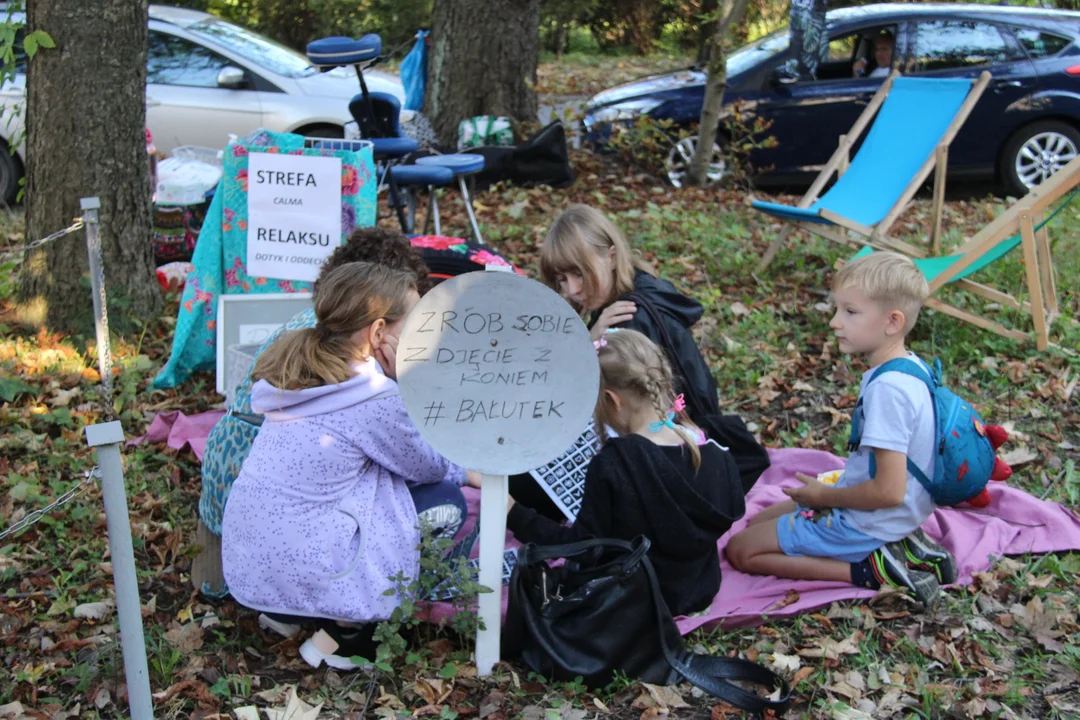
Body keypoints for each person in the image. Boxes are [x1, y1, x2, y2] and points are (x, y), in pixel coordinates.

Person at [221, 262, 481, 670]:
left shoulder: (302, 369)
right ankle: (346, 634)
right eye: (412, 327)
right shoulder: (375, 396)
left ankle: (288, 615)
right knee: (446, 501)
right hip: (307, 559)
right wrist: (463, 470)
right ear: (379, 333)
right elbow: (427, 466)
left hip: (252, 559)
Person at [725, 252, 957, 607]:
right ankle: (903, 545)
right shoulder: (910, 367)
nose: (835, 322)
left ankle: (875, 570)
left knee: (740, 550)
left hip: (871, 519)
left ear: (892, 322)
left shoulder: (887, 391)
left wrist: (824, 498)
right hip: (898, 512)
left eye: (850, 312)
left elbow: (889, 491)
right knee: (758, 520)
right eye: (837, 309)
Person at [199, 228, 431, 543]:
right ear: (378, 325)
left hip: (229, 519)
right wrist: (404, 388)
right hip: (297, 546)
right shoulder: (368, 385)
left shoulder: (310, 333)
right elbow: (424, 461)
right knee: (438, 498)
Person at [507, 330, 745, 617]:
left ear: (611, 400)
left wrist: (514, 512)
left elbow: (582, 547)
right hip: (699, 594)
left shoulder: (614, 463)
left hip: (633, 602)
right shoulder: (709, 449)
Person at [540, 204, 720, 422]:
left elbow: (630, 412)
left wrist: (590, 347)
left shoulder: (629, 318)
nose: (572, 289)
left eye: (579, 274)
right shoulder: (636, 289)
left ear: (612, 258)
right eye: (562, 279)